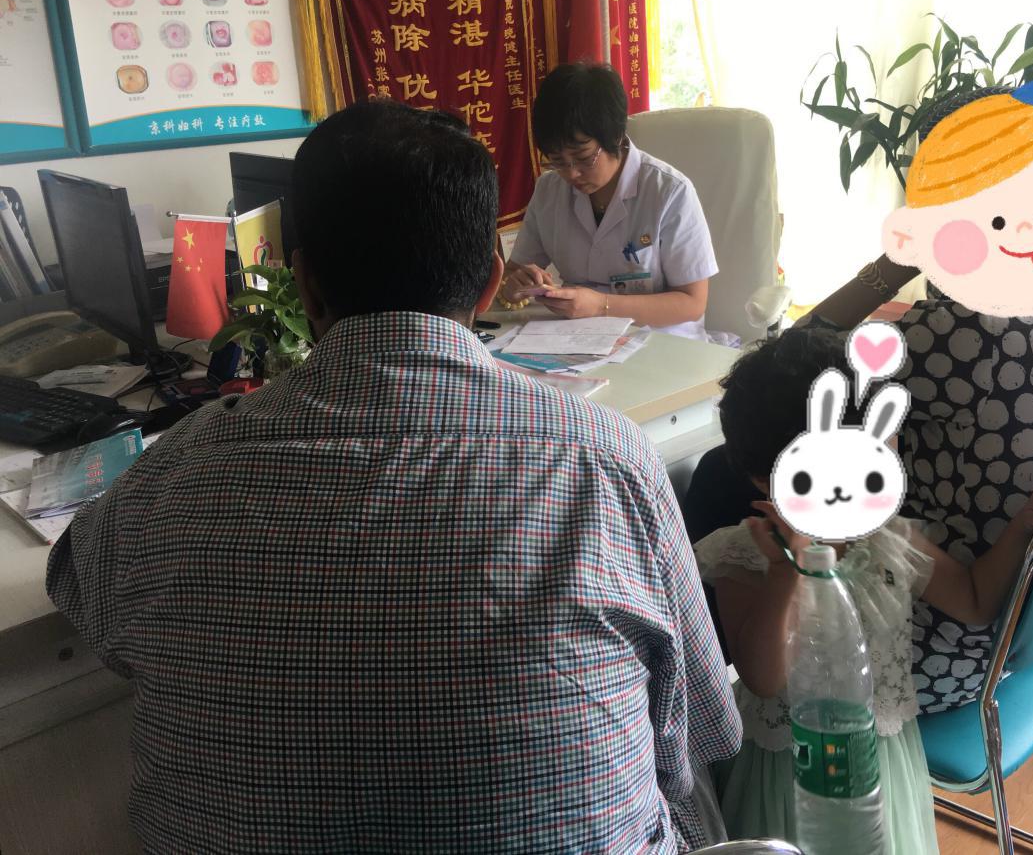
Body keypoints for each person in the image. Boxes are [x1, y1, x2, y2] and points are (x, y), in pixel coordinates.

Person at [46, 100, 741, 853]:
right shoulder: (608, 462)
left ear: (304, 284)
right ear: (489, 283)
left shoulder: (174, 468)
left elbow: (82, 598)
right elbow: (703, 727)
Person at [801, 80, 1033, 714]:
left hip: (945, 648)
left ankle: (712, 725)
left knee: (733, 483)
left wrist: (892, 267)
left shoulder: (967, 332)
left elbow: (794, 357)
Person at [692, 328, 1033, 851]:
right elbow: (764, 678)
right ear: (764, 480)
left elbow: (973, 601)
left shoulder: (887, 537)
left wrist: (1021, 529)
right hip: (788, 770)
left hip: (881, 760)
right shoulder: (742, 555)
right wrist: (788, 571)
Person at [503, 62, 719, 341]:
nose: (571, 173)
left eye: (583, 158)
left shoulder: (669, 192)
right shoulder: (549, 190)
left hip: (660, 339)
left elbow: (692, 302)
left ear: (615, 136)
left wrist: (601, 306)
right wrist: (515, 286)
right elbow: (514, 270)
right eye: (557, 161)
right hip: (573, 338)